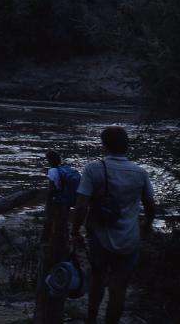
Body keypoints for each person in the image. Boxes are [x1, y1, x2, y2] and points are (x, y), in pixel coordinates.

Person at [71, 126, 156, 324]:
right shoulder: (140, 173)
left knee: (97, 279)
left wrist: (75, 230)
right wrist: (146, 225)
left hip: (100, 237)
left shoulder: (94, 168)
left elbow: (81, 205)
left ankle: (91, 319)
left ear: (104, 145)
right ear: (127, 146)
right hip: (129, 239)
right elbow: (151, 206)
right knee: (119, 288)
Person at [42, 150, 80, 242]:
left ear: (49, 160)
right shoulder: (66, 168)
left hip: (58, 200)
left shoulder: (52, 171)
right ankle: (65, 240)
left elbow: (50, 189)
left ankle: (48, 241)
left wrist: (47, 203)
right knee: (64, 221)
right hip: (67, 198)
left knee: (52, 220)